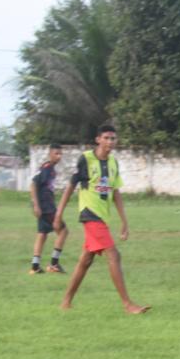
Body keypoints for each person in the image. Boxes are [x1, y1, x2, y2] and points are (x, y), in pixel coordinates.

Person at [53, 126, 149, 314]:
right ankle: (128, 304)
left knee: (86, 260)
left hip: (103, 217)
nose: (110, 142)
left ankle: (65, 302)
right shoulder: (86, 159)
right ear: (98, 139)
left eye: (113, 138)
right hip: (90, 214)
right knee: (113, 255)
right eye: (106, 138)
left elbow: (115, 192)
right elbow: (71, 186)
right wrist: (59, 214)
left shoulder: (113, 162)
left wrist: (124, 221)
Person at [29, 144, 68, 275]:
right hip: (46, 208)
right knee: (63, 231)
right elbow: (33, 184)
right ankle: (54, 264)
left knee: (42, 234)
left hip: (45, 206)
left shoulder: (50, 169)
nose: (59, 156)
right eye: (57, 153)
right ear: (50, 154)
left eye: (60, 154)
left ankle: (35, 266)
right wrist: (36, 205)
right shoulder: (46, 169)